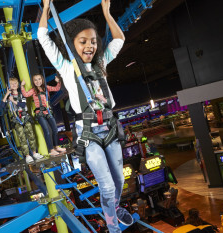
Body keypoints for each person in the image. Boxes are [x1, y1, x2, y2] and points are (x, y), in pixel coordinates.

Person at [38, 0, 133, 232]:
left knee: (119, 181)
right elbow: (43, 38)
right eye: (83, 42)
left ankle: (116, 208)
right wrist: (46, 10)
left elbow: (119, 39)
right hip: (88, 132)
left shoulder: (101, 63)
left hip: (109, 126)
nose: (89, 45)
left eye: (93, 41)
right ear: (72, 45)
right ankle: (113, 227)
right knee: (108, 186)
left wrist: (107, 14)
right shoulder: (67, 67)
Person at [21, 73, 66, 156]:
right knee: (46, 131)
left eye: (39, 79)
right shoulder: (33, 90)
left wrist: (58, 81)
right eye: (35, 80)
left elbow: (57, 88)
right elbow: (26, 94)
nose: (38, 81)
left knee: (55, 129)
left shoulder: (46, 88)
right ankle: (51, 149)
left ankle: (56, 146)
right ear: (33, 82)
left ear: (42, 80)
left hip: (48, 112)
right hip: (40, 113)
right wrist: (22, 86)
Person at [1, 77, 44, 163]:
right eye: (11, 84)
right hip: (16, 119)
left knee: (31, 135)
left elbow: (23, 105)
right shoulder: (8, 98)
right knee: (22, 137)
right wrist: (7, 94)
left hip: (25, 117)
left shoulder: (21, 95)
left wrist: (13, 101)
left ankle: (34, 153)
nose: (14, 85)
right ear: (9, 86)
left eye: (15, 83)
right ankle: (27, 155)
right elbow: (2, 106)